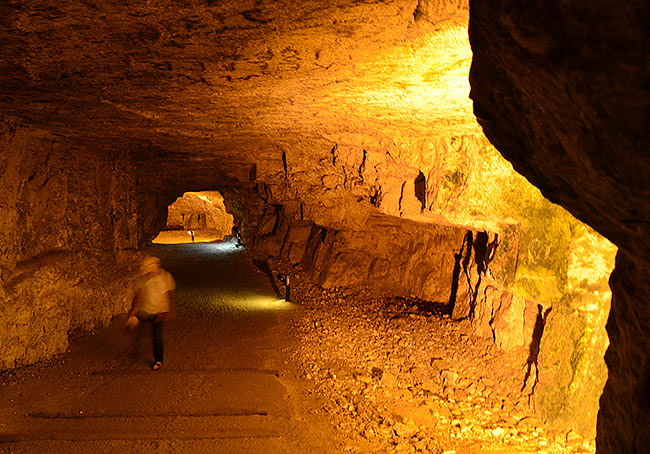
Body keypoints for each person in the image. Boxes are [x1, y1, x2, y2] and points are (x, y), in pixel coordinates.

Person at [127, 256, 176, 370]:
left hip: (159, 312)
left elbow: (169, 295)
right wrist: (133, 311)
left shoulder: (165, 277)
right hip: (145, 310)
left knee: (157, 336)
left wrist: (169, 310)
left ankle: (158, 360)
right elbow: (138, 294)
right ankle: (136, 353)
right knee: (139, 333)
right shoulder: (143, 279)